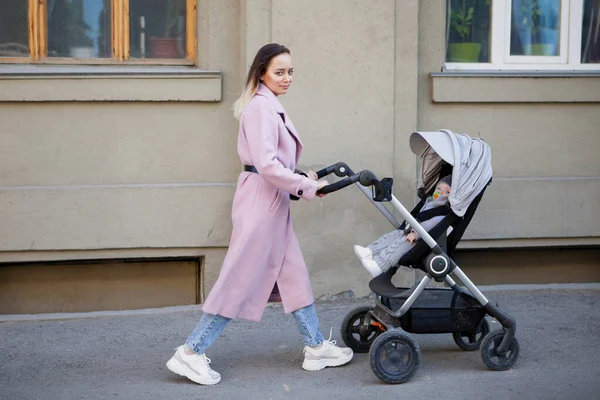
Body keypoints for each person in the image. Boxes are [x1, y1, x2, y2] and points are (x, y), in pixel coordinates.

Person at [166, 43, 353, 385]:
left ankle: (315, 347)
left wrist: (303, 177)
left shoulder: (269, 105)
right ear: (262, 72)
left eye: (290, 71)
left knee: (294, 276)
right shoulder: (260, 108)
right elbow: (266, 165)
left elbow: (272, 162)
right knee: (238, 280)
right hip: (261, 204)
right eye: (279, 72)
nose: (287, 78)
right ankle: (190, 352)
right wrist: (306, 187)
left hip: (271, 201)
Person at [354, 175, 452, 277]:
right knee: (393, 235)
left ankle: (379, 265)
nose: (440, 192)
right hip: (410, 231)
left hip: (420, 240)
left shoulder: (442, 214)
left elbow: (431, 225)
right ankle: (370, 251)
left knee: (399, 245)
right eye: (438, 188)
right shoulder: (429, 202)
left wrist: (416, 234)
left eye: (447, 192)